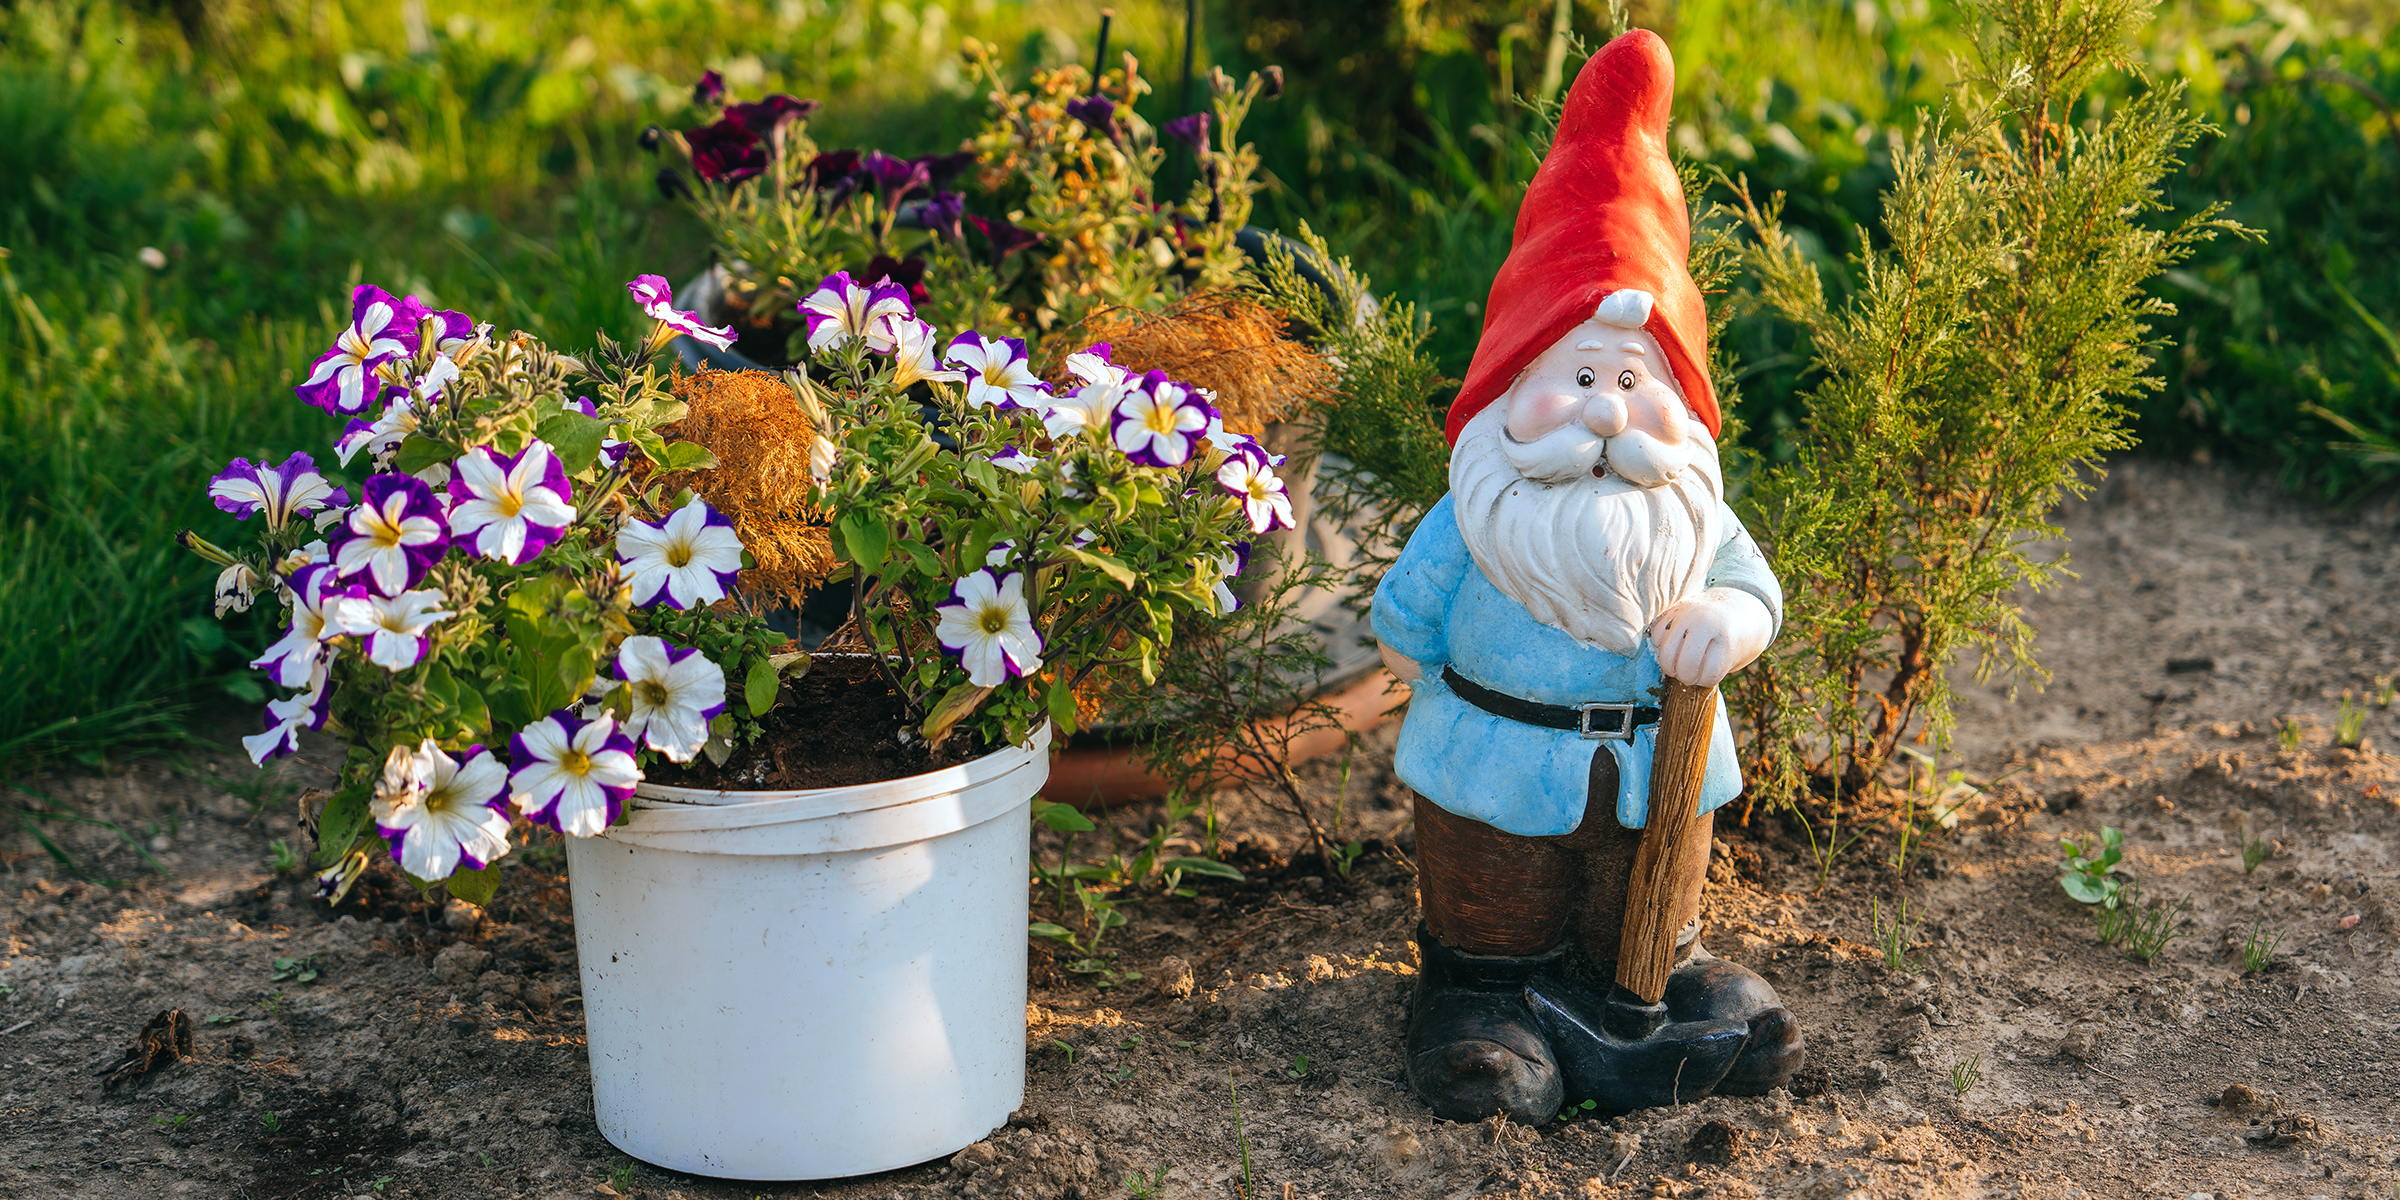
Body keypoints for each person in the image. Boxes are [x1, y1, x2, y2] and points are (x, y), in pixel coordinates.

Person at [1370, 28, 1804, 1124]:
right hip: (1493, 772)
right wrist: (1408, 658)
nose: (1608, 411)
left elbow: (1755, 590)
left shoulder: (1689, 517)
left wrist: (1730, 619)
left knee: (1645, 912)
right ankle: (1480, 1002)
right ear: (1507, 390)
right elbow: (1407, 620)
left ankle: (1660, 978)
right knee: (1493, 902)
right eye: (1573, 376)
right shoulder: (1479, 515)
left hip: (1659, 771)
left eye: (1633, 379)